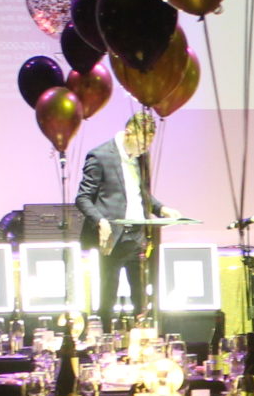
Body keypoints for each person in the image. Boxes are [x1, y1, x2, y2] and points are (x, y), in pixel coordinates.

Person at [75, 110, 177, 317]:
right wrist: (101, 222)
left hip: (137, 236)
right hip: (112, 238)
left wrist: (161, 209)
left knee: (141, 297)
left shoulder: (140, 157)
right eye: (141, 144)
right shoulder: (100, 155)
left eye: (148, 145)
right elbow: (82, 198)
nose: (144, 149)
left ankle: (139, 339)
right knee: (107, 298)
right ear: (129, 133)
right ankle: (105, 340)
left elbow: (140, 193)